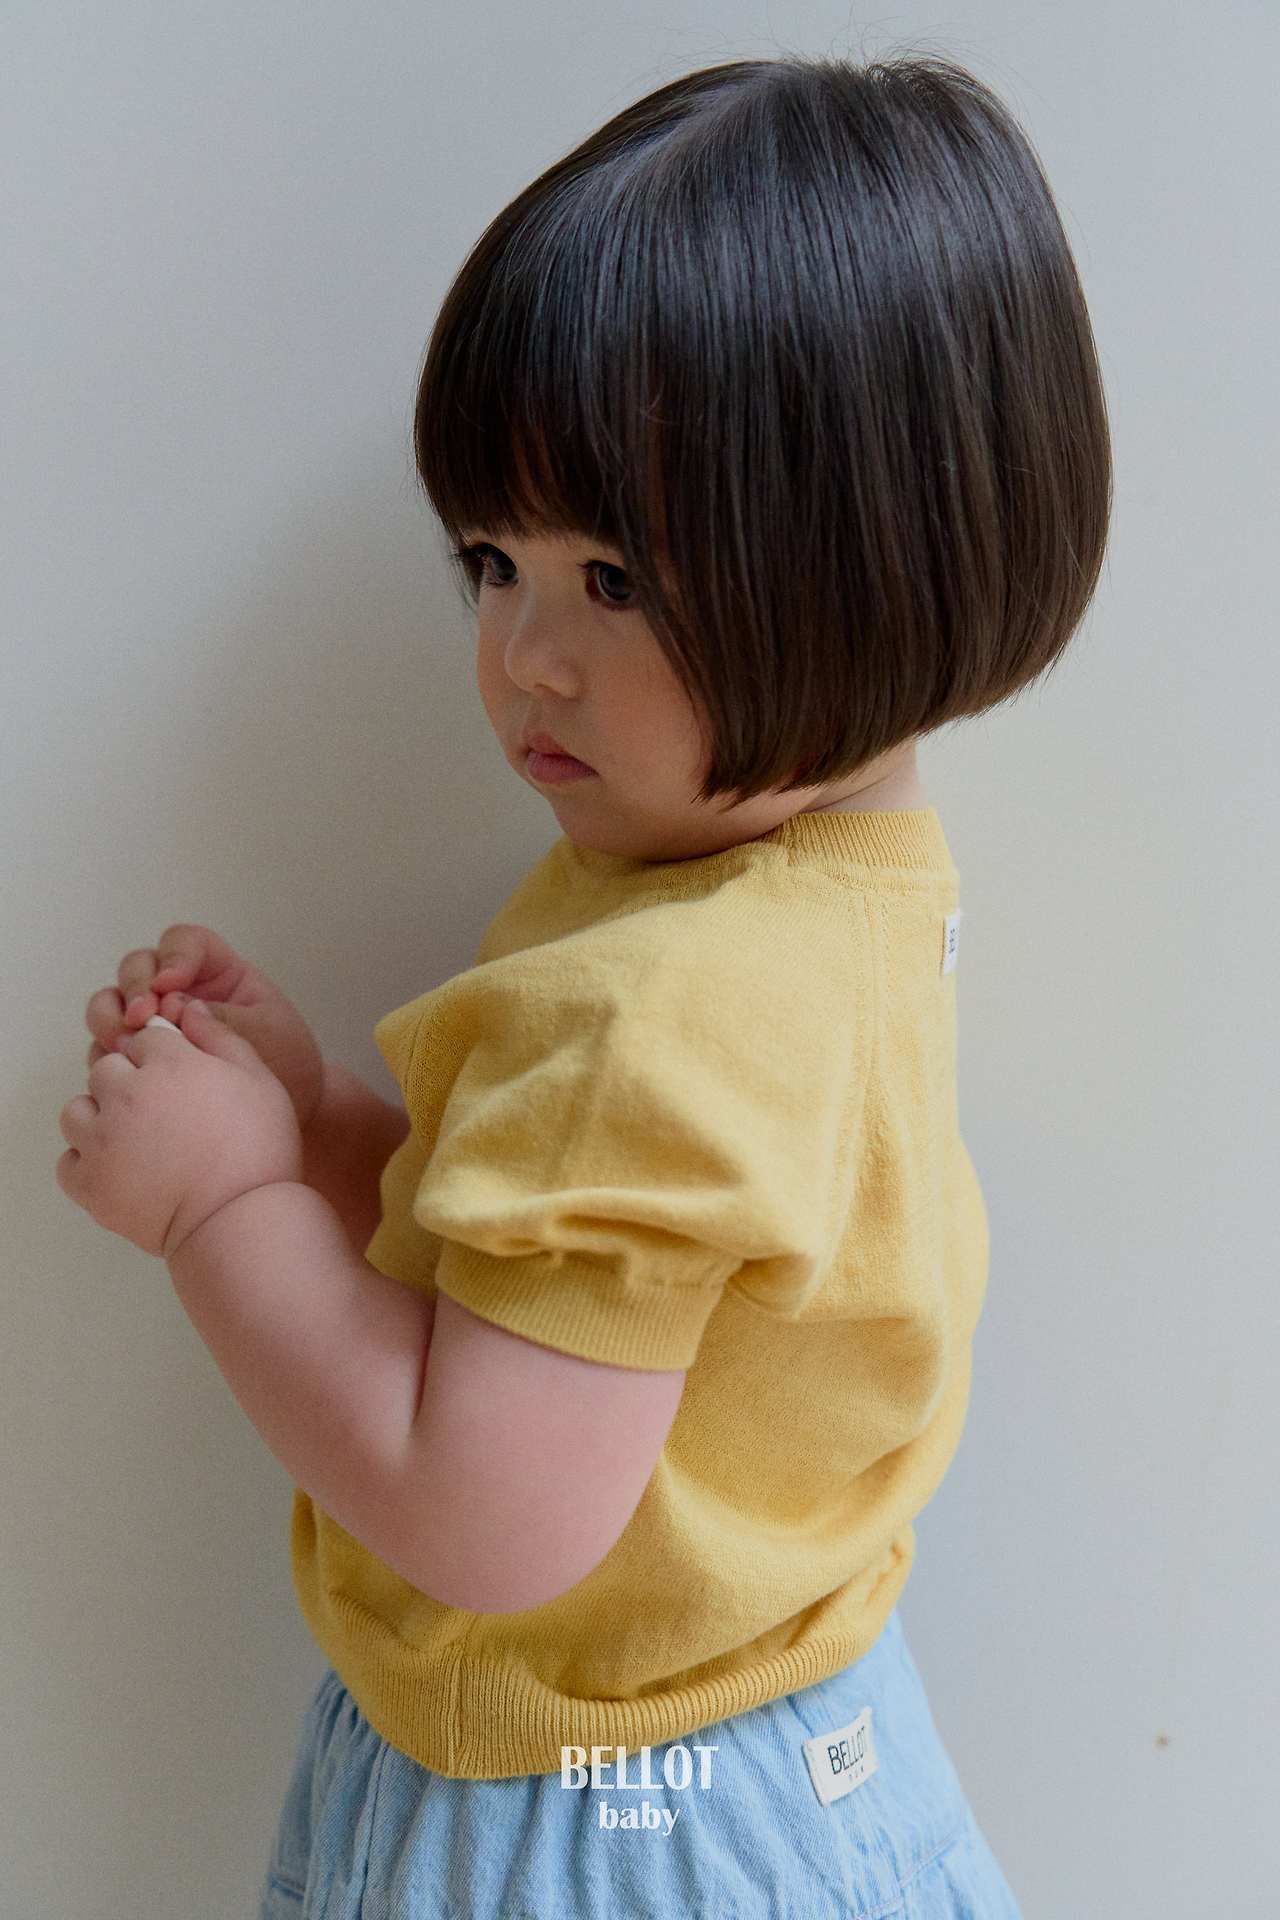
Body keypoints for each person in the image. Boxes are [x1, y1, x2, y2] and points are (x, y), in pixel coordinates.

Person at [69, 47, 1110, 1918]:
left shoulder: (661, 1006)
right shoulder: (830, 889)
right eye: (492, 560)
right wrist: (315, 1125)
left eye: (613, 580)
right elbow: (578, 1294)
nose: (524, 657)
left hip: (605, 1818)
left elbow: (487, 1516)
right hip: (778, 1742)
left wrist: (221, 1208)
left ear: (876, 567)